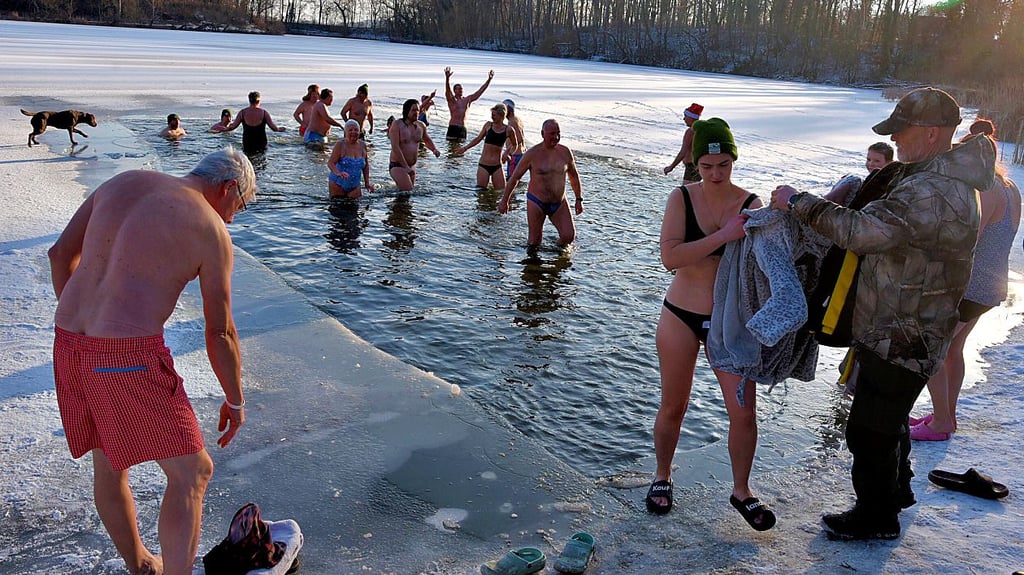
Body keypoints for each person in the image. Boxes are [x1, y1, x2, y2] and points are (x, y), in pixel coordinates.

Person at [771, 87, 996, 540]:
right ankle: (897, 493)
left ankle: (876, 518)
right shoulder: (938, 177)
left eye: (902, 131)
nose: (895, 140)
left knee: (869, 429)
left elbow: (862, 231)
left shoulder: (931, 190)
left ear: (932, 134)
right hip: (906, 324)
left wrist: (799, 202)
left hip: (905, 332)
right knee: (888, 421)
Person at [47, 147, 255, 575]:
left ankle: (141, 564)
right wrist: (235, 400)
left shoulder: (123, 181)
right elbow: (220, 332)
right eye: (241, 204)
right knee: (192, 473)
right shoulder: (210, 228)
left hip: (68, 343)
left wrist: (89, 328)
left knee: (110, 462)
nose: (234, 218)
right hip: (126, 358)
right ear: (228, 187)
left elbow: (59, 255)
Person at [644, 118, 771, 530]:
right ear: (696, 163)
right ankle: (662, 475)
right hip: (680, 314)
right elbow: (671, 257)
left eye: (724, 165)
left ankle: (742, 491)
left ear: (734, 161)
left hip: (729, 323)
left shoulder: (750, 203)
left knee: (744, 413)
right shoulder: (681, 197)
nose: (716, 174)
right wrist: (724, 235)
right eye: (707, 166)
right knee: (674, 405)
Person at [910, 119, 1021, 441]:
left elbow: (966, 240)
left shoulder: (985, 190)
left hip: (970, 286)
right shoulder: (1009, 186)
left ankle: (941, 423)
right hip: (990, 285)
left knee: (928, 349)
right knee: (953, 349)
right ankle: (947, 415)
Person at [498, 119, 583, 247]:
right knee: (534, 242)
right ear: (542, 134)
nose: (556, 137)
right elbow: (515, 178)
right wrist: (505, 200)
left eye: (558, 133)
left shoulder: (565, 152)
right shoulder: (532, 154)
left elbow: (574, 176)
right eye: (552, 134)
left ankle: (556, 251)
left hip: (559, 202)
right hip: (537, 202)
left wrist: (578, 199)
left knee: (568, 236)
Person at [455, 102, 519, 190]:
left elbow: (515, 145)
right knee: (481, 191)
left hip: (497, 166)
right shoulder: (488, 125)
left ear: (501, 116)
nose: (492, 117)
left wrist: (508, 153)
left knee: (501, 191)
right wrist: (465, 148)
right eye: (492, 115)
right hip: (483, 165)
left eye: (494, 115)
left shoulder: (509, 130)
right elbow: (478, 139)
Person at [389, 98, 441, 192]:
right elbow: (395, 147)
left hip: (411, 166)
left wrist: (434, 149)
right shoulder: (397, 124)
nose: (416, 112)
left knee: (407, 194)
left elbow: (426, 139)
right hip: (397, 165)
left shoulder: (421, 126)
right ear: (406, 111)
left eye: (417, 110)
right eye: (413, 110)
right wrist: (405, 166)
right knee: (408, 191)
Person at [824, 142, 895, 206]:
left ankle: (822, 206)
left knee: (854, 180)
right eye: (868, 159)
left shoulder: (890, 183)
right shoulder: (873, 179)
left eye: (877, 161)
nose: (871, 164)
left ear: (889, 163)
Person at [222, 91, 287, 155]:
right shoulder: (264, 113)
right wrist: (279, 129)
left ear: (249, 101)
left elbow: (233, 127)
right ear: (259, 101)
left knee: (247, 160)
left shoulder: (242, 113)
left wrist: (223, 129)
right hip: (261, 143)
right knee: (261, 159)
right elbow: (273, 128)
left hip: (247, 143)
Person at [444, 66, 494, 141]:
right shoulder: (452, 100)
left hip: (463, 128)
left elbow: (480, 91)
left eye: (461, 88)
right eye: (458, 89)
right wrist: (447, 78)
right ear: (454, 91)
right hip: (453, 126)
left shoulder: (467, 100)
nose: (461, 90)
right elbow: (448, 91)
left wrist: (489, 80)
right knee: (451, 146)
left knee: (462, 147)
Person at [328, 119, 372, 199]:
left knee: (355, 206)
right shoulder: (340, 144)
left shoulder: (362, 145)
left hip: (355, 186)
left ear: (359, 132)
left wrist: (367, 183)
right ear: (345, 132)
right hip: (337, 183)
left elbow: (366, 166)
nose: (353, 132)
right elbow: (330, 163)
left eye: (356, 130)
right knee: (338, 205)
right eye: (350, 130)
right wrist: (338, 173)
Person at [663, 103, 704, 184]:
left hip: (692, 166)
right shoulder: (702, 130)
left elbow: (683, 152)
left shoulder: (691, 131)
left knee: (687, 190)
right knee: (694, 189)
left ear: (691, 117)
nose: (684, 119)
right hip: (700, 165)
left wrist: (671, 167)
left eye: (685, 116)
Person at [501, 98, 526, 179]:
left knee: (511, 180)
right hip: (519, 154)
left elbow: (519, 139)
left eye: (504, 109)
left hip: (515, 155)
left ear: (509, 110)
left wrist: (507, 152)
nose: (502, 112)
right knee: (514, 179)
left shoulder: (512, 122)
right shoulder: (516, 120)